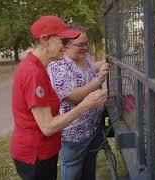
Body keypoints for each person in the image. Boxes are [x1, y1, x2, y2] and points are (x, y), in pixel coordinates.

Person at [10, 16, 107, 180]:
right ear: (45, 40)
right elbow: (47, 127)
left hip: (46, 150)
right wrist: (87, 104)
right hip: (36, 155)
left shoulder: (39, 67)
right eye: (63, 40)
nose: (65, 45)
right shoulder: (33, 73)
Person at [47, 25, 110, 180]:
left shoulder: (84, 56)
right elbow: (72, 96)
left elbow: (90, 67)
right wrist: (99, 80)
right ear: (66, 45)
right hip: (74, 134)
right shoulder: (57, 65)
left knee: (89, 169)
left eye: (86, 43)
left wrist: (104, 63)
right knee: (73, 171)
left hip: (93, 128)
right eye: (80, 45)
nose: (85, 48)